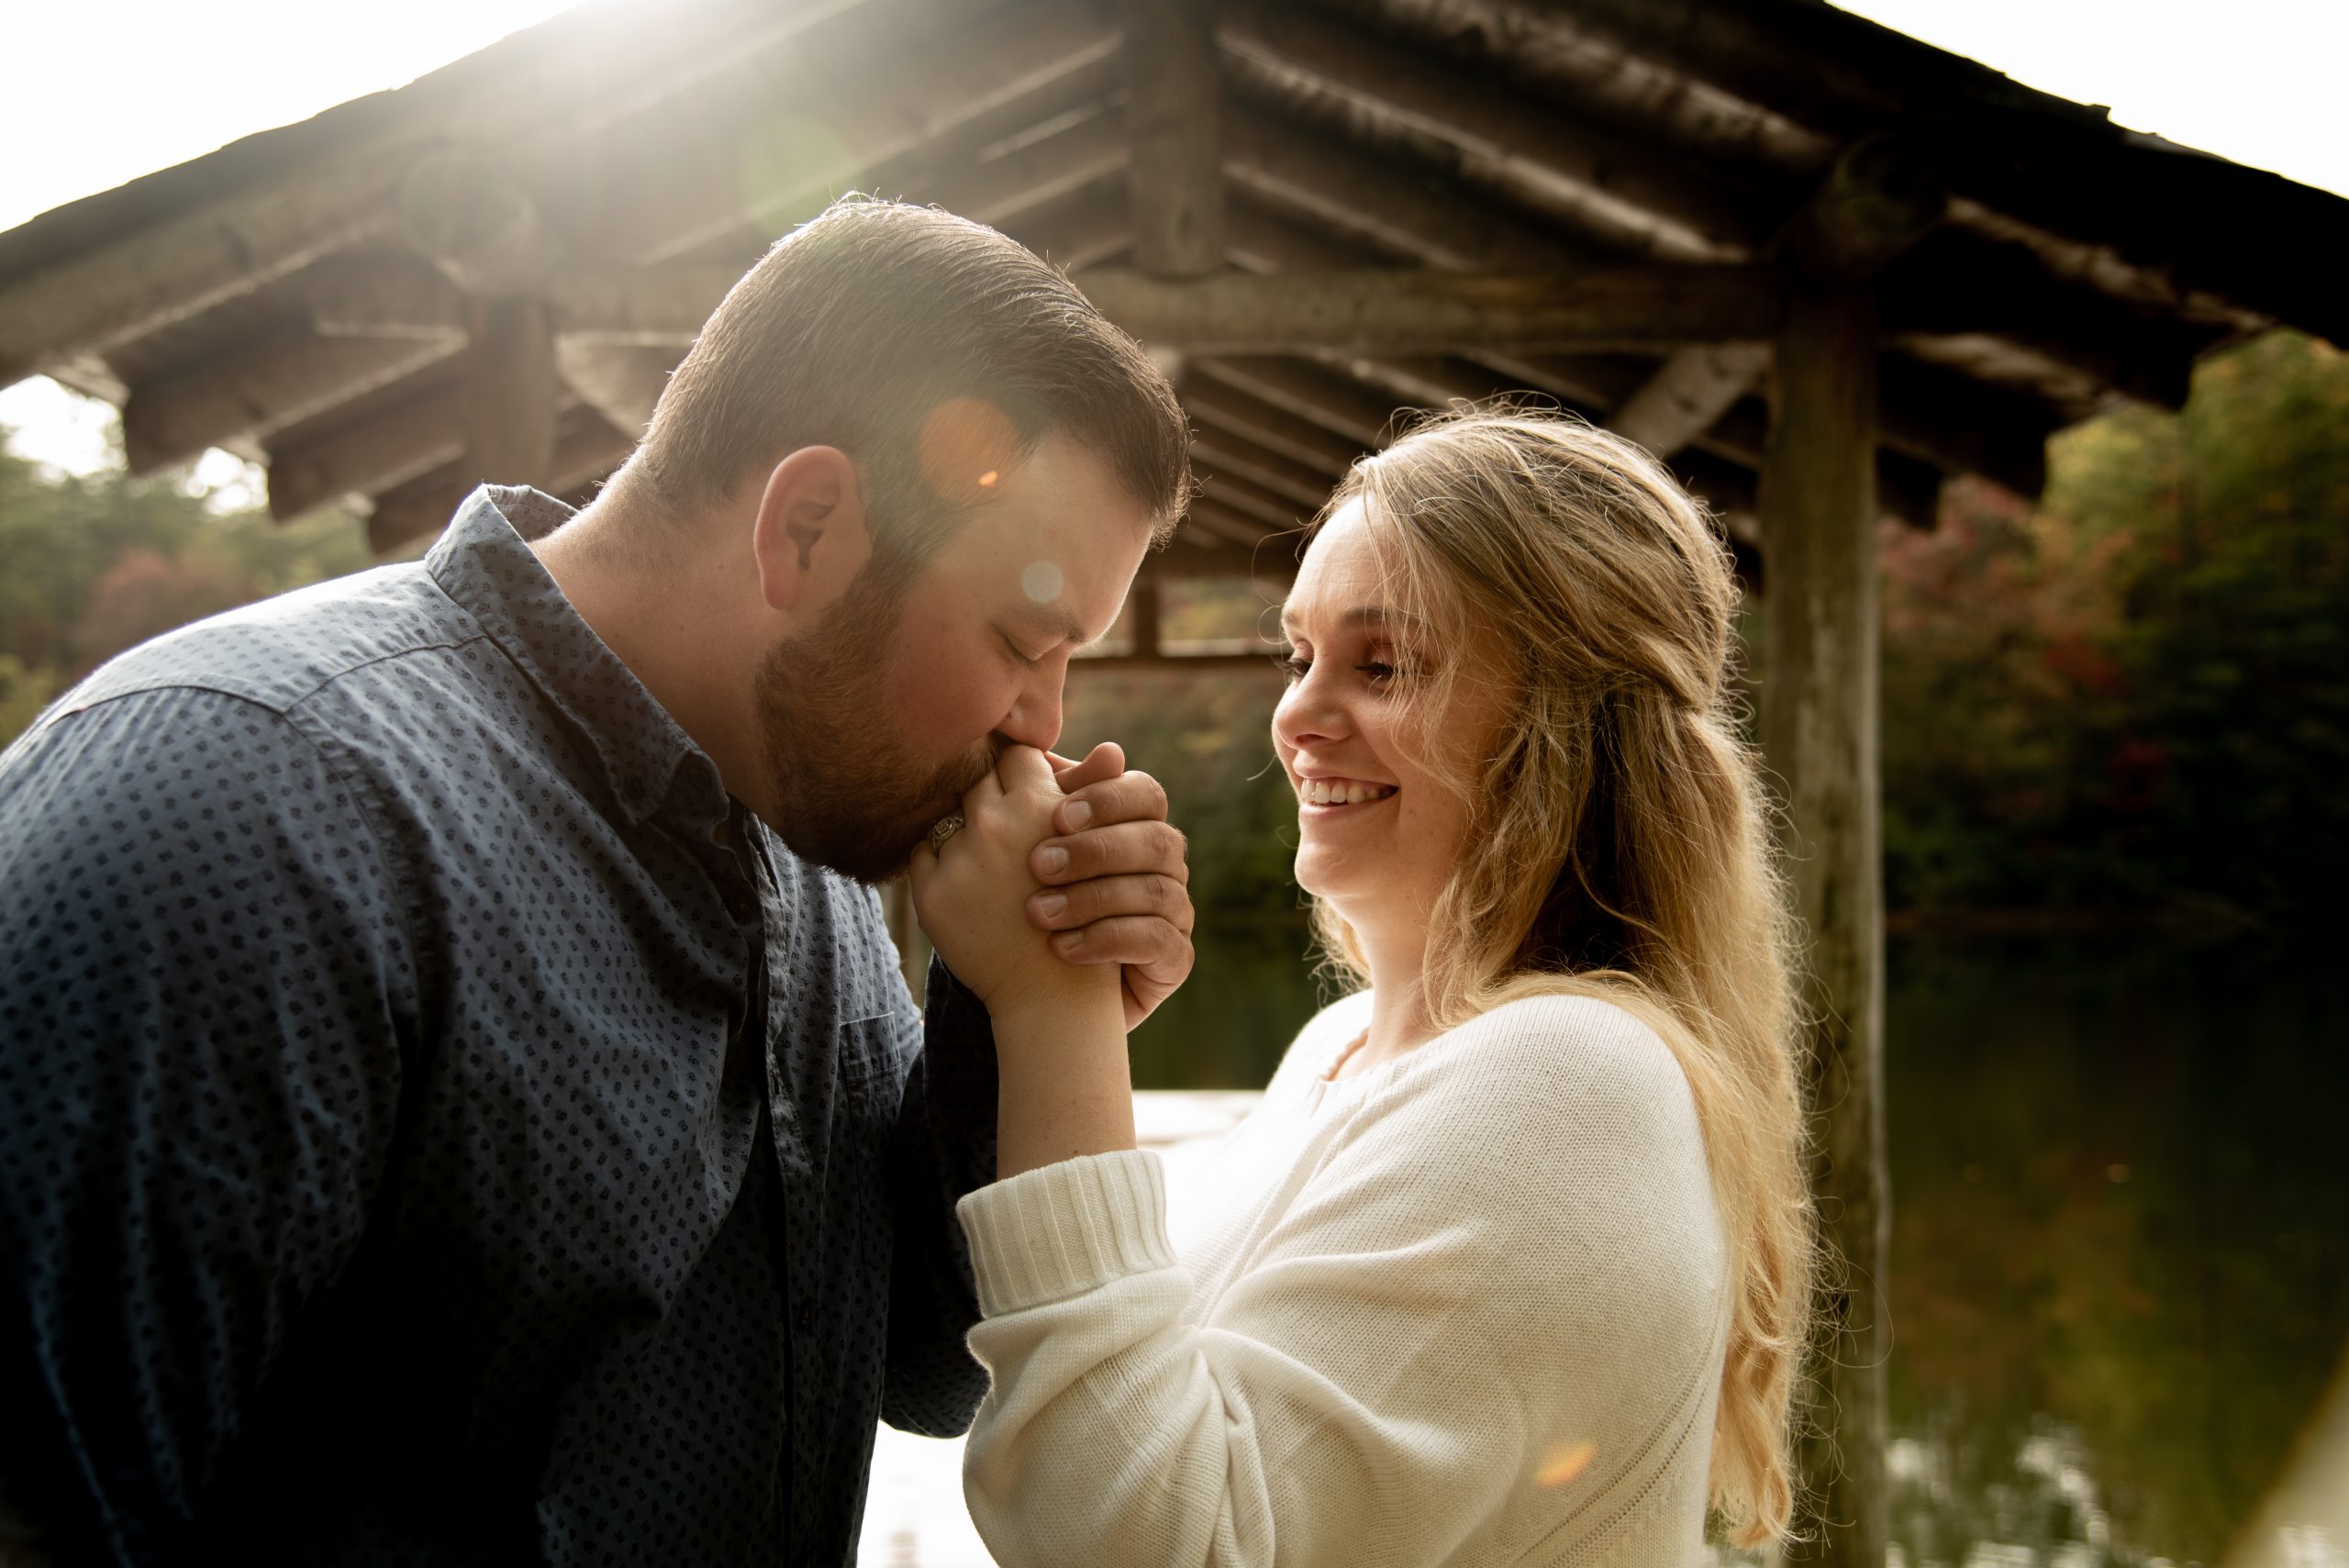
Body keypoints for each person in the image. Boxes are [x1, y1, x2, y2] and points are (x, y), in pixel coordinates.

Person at [0, 199, 1199, 1564]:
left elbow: (920, 1359)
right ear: (807, 527)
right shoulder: (237, 814)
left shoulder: (810, 839)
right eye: (1021, 638)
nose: (1045, 721)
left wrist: (1024, 1004)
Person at [912, 409, 1817, 1564]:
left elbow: (1147, 1535)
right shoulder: (1337, 1052)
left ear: (1561, 725)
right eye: (1301, 656)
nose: (1295, 714)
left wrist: (1056, 1013)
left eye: (1383, 663)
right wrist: (1040, 1024)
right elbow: (1104, 1368)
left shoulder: (1568, 1082)